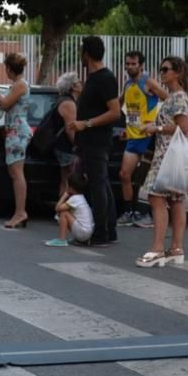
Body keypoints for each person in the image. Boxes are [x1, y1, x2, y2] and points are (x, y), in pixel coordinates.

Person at [135, 56, 188, 267]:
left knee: (156, 197)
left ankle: (158, 248)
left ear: (177, 73)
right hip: (170, 155)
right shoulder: (172, 97)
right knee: (176, 200)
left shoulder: (178, 97)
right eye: (161, 69)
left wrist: (156, 128)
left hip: (168, 156)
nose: (162, 73)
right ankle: (176, 248)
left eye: (166, 69)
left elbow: (183, 127)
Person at [67, 36, 121, 246]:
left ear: (86, 54)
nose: (81, 56)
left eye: (82, 52)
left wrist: (85, 124)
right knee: (102, 183)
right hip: (89, 140)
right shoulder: (94, 78)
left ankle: (100, 233)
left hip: (97, 140)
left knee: (98, 184)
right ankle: (109, 230)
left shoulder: (104, 78)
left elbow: (115, 112)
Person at [0, 52, 31, 229]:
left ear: (10, 68)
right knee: (14, 173)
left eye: (6, 68)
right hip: (13, 131)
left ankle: (20, 212)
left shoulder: (20, 85)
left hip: (17, 132)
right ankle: (19, 212)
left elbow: (4, 104)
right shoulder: (18, 85)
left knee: (17, 173)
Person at [118, 51, 167, 227]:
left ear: (141, 65)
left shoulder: (148, 82)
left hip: (147, 138)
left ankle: (150, 214)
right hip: (132, 137)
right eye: (127, 64)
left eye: (133, 64)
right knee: (125, 175)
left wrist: (156, 124)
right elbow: (119, 104)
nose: (130, 67)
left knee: (146, 179)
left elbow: (168, 100)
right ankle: (129, 212)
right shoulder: (127, 84)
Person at [53, 71, 83, 198]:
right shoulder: (69, 103)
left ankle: (62, 211)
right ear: (73, 87)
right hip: (66, 148)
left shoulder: (65, 101)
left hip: (63, 147)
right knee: (68, 181)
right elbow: (70, 130)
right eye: (78, 82)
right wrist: (77, 148)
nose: (81, 83)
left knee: (65, 180)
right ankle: (64, 211)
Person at [45, 173, 94, 247]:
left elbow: (57, 208)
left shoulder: (74, 199)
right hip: (88, 233)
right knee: (68, 212)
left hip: (83, 233)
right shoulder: (81, 197)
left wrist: (65, 195)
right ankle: (79, 240)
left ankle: (62, 240)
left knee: (63, 212)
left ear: (70, 188)